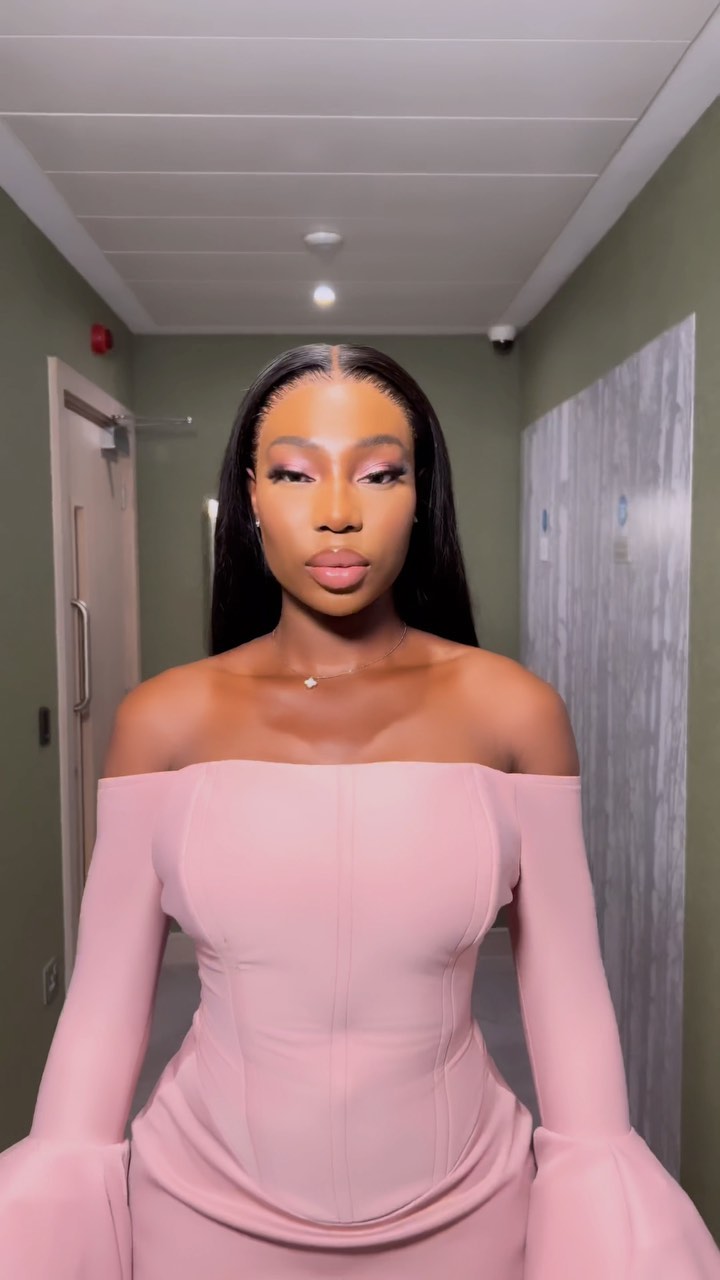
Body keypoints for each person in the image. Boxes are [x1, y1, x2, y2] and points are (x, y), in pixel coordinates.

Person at [0, 343, 718, 1279]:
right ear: (250, 496)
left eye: (379, 474)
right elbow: (101, 1008)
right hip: (199, 1212)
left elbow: (571, 1000)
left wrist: (602, 1185)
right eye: (295, 474)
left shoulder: (516, 714)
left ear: (421, 496)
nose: (337, 510)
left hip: (470, 1212)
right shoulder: (161, 722)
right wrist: (56, 1187)